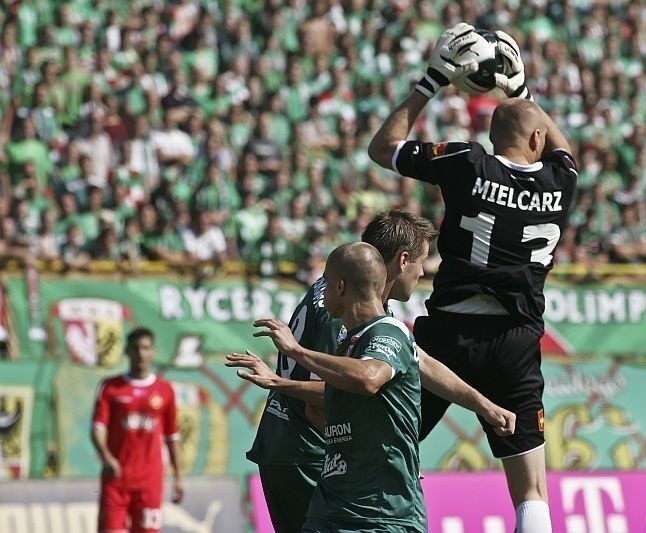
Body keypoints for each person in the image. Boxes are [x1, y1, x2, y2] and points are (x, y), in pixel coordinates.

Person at [367, 23, 579, 532]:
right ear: (536, 138)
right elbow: (562, 148)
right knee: (530, 488)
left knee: (378, 448)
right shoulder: (562, 181)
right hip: (516, 340)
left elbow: (383, 148)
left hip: (447, 337)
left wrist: (432, 79)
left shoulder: (468, 161)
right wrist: (521, 91)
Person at [226, 209, 516, 533]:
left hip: (315, 453)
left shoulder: (367, 305)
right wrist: (376, 459)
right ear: (403, 261)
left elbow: (418, 361)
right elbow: (327, 396)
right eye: (421, 261)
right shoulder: (337, 310)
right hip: (306, 453)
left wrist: (482, 404)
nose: (422, 272)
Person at [252, 242, 425, 531]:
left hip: (373, 501)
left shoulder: (381, 328)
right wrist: (280, 380)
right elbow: (322, 405)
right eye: (421, 262)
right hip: (325, 474)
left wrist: (291, 362)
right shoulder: (346, 332)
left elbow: (368, 378)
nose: (421, 273)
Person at [91, 327, 183, 533]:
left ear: (153, 352)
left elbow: (172, 436)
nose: (141, 353)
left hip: (149, 481)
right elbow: (97, 428)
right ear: (127, 351)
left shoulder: (164, 390)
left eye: (146, 348)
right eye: (136, 348)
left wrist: (178, 477)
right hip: (116, 481)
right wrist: (106, 457)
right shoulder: (110, 387)